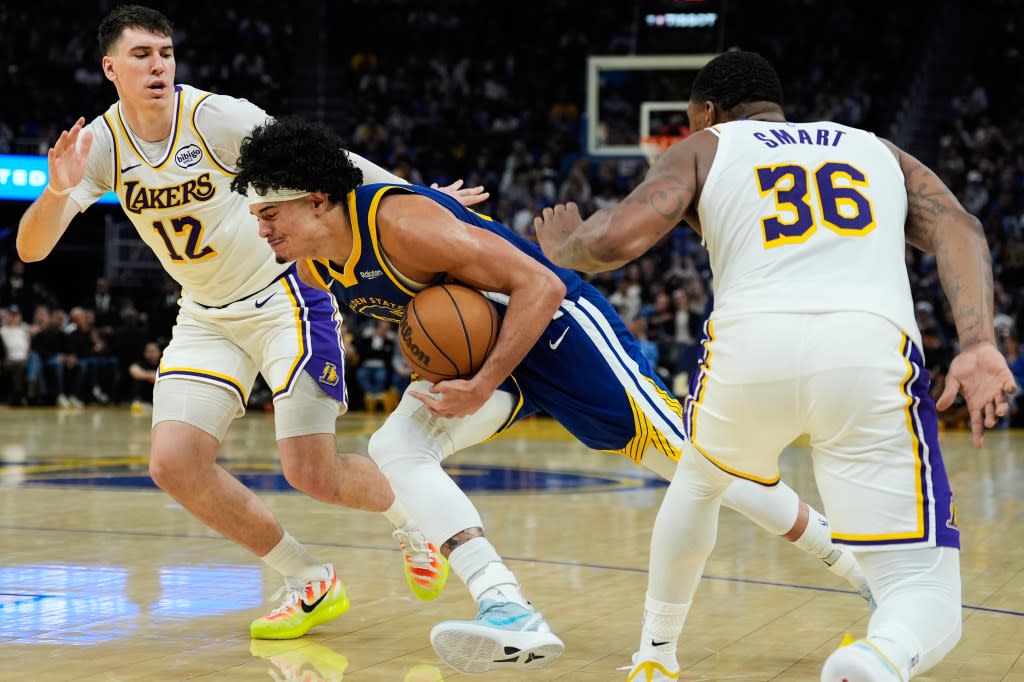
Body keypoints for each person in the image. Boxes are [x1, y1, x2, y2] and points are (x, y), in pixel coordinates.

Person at [231, 116, 873, 674]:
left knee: (700, 467)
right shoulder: (317, 259)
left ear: (318, 201)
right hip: (489, 352)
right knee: (396, 443)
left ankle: (864, 571)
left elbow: (542, 286)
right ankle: (506, 606)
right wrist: (439, 221)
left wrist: (477, 376)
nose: (261, 228)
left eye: (269, 213)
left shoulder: (402, 225)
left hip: (556, 329)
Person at [533, 50, 1016, 682]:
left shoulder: (707, 146)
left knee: (700, 483)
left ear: (706, 111)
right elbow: (959, 225)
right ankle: (876, 658)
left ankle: (655, 656)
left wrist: (563, 244)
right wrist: (978, 342)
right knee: (921, 586)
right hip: (869, 350)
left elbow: (615, 241)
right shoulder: (876, 150)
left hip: (751, 350)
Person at [15, 4, 487, 640]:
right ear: (110, 68)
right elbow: (31, 250)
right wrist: (54, 192)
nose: (157, 65)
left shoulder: (214, 117)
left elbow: (325, 158)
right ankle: (306, 579)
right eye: (141, 55)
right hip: (205, 315)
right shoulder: (98, 146)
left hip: (281, 297)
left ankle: (410, 518)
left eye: (165, 53)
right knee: (174, 464)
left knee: (309, 471)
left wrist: (420, 202)